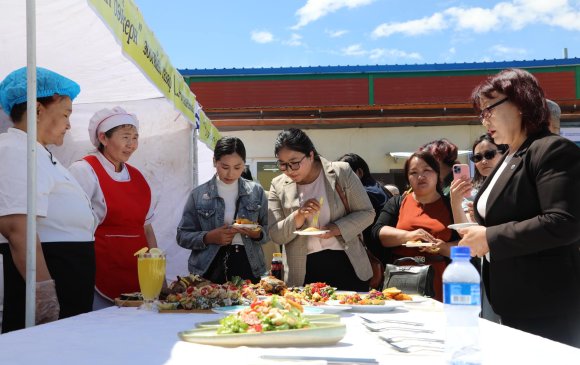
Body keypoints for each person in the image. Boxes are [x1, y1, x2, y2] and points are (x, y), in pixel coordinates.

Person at [459, 68, 580, 347]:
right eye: (481, 112)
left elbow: (563, 222)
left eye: (489, 108)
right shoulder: (510, 156)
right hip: (511, 299)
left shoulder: (551, 149)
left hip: (548, 304)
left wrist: (489, 238)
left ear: (521, 103)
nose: (484, 118)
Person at [0, 67, 96, 333]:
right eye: (65, 114)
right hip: (47, 276)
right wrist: (43, 294)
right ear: (38, 110)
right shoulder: (15, 151)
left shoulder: (41, 154)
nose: (69, 124)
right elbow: (17, 229)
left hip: (68, 276)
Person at [68, 107, 158, 309]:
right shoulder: (83, 171)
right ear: (103, 138)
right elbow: (72, 227)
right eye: (125, 137)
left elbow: (146, 228)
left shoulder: (139, 178)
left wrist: (157, 273)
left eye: (135, 138)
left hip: (137, 272)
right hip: (99, 272)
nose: (132, 145)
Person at [268, 128, 374, 291]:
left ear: (311, 155)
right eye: (283, 164)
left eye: (295, 163)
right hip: (303, 272)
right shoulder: (278, 185)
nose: (289, 170)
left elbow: (367, 213)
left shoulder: (341, 172)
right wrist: (298, 216)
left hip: (346, 263)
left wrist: (336, 228)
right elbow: (276, 234)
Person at [177, 136, 268, 284]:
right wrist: (209, 237)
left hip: (248, 263)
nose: (231, 174)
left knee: (248, 306)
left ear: (244, 164)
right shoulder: (198, 194)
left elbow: (268, 231)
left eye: (238, 167)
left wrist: (257, 233)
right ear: (214, 162)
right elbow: (182, 236)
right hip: (209, 266)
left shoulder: (256, 191)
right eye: (225, 167)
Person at [371, 151, 458, 301]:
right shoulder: (397, 202)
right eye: (414, 172)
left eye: (427, 170)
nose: (421, 176)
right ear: (407, 178)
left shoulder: (450, 205)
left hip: (441, 276)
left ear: (437, 174)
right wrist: (409, 236)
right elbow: (378, 232)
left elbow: (466, 245)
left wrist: (442, 247)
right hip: (401, 275)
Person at [337, 153, 391, 265]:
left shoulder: (363, 194)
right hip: (387, 250)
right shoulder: (382, 189)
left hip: (372, 253)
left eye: (346, 174)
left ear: (360, 173)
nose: (340, 179)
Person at [449, 134, 506, 224]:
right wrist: (455, 204)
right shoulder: (472, 192)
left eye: (489, 154)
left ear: (505, 154)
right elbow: (464, 232)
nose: (483, 161)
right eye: (477, 157)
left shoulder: (516, 184)